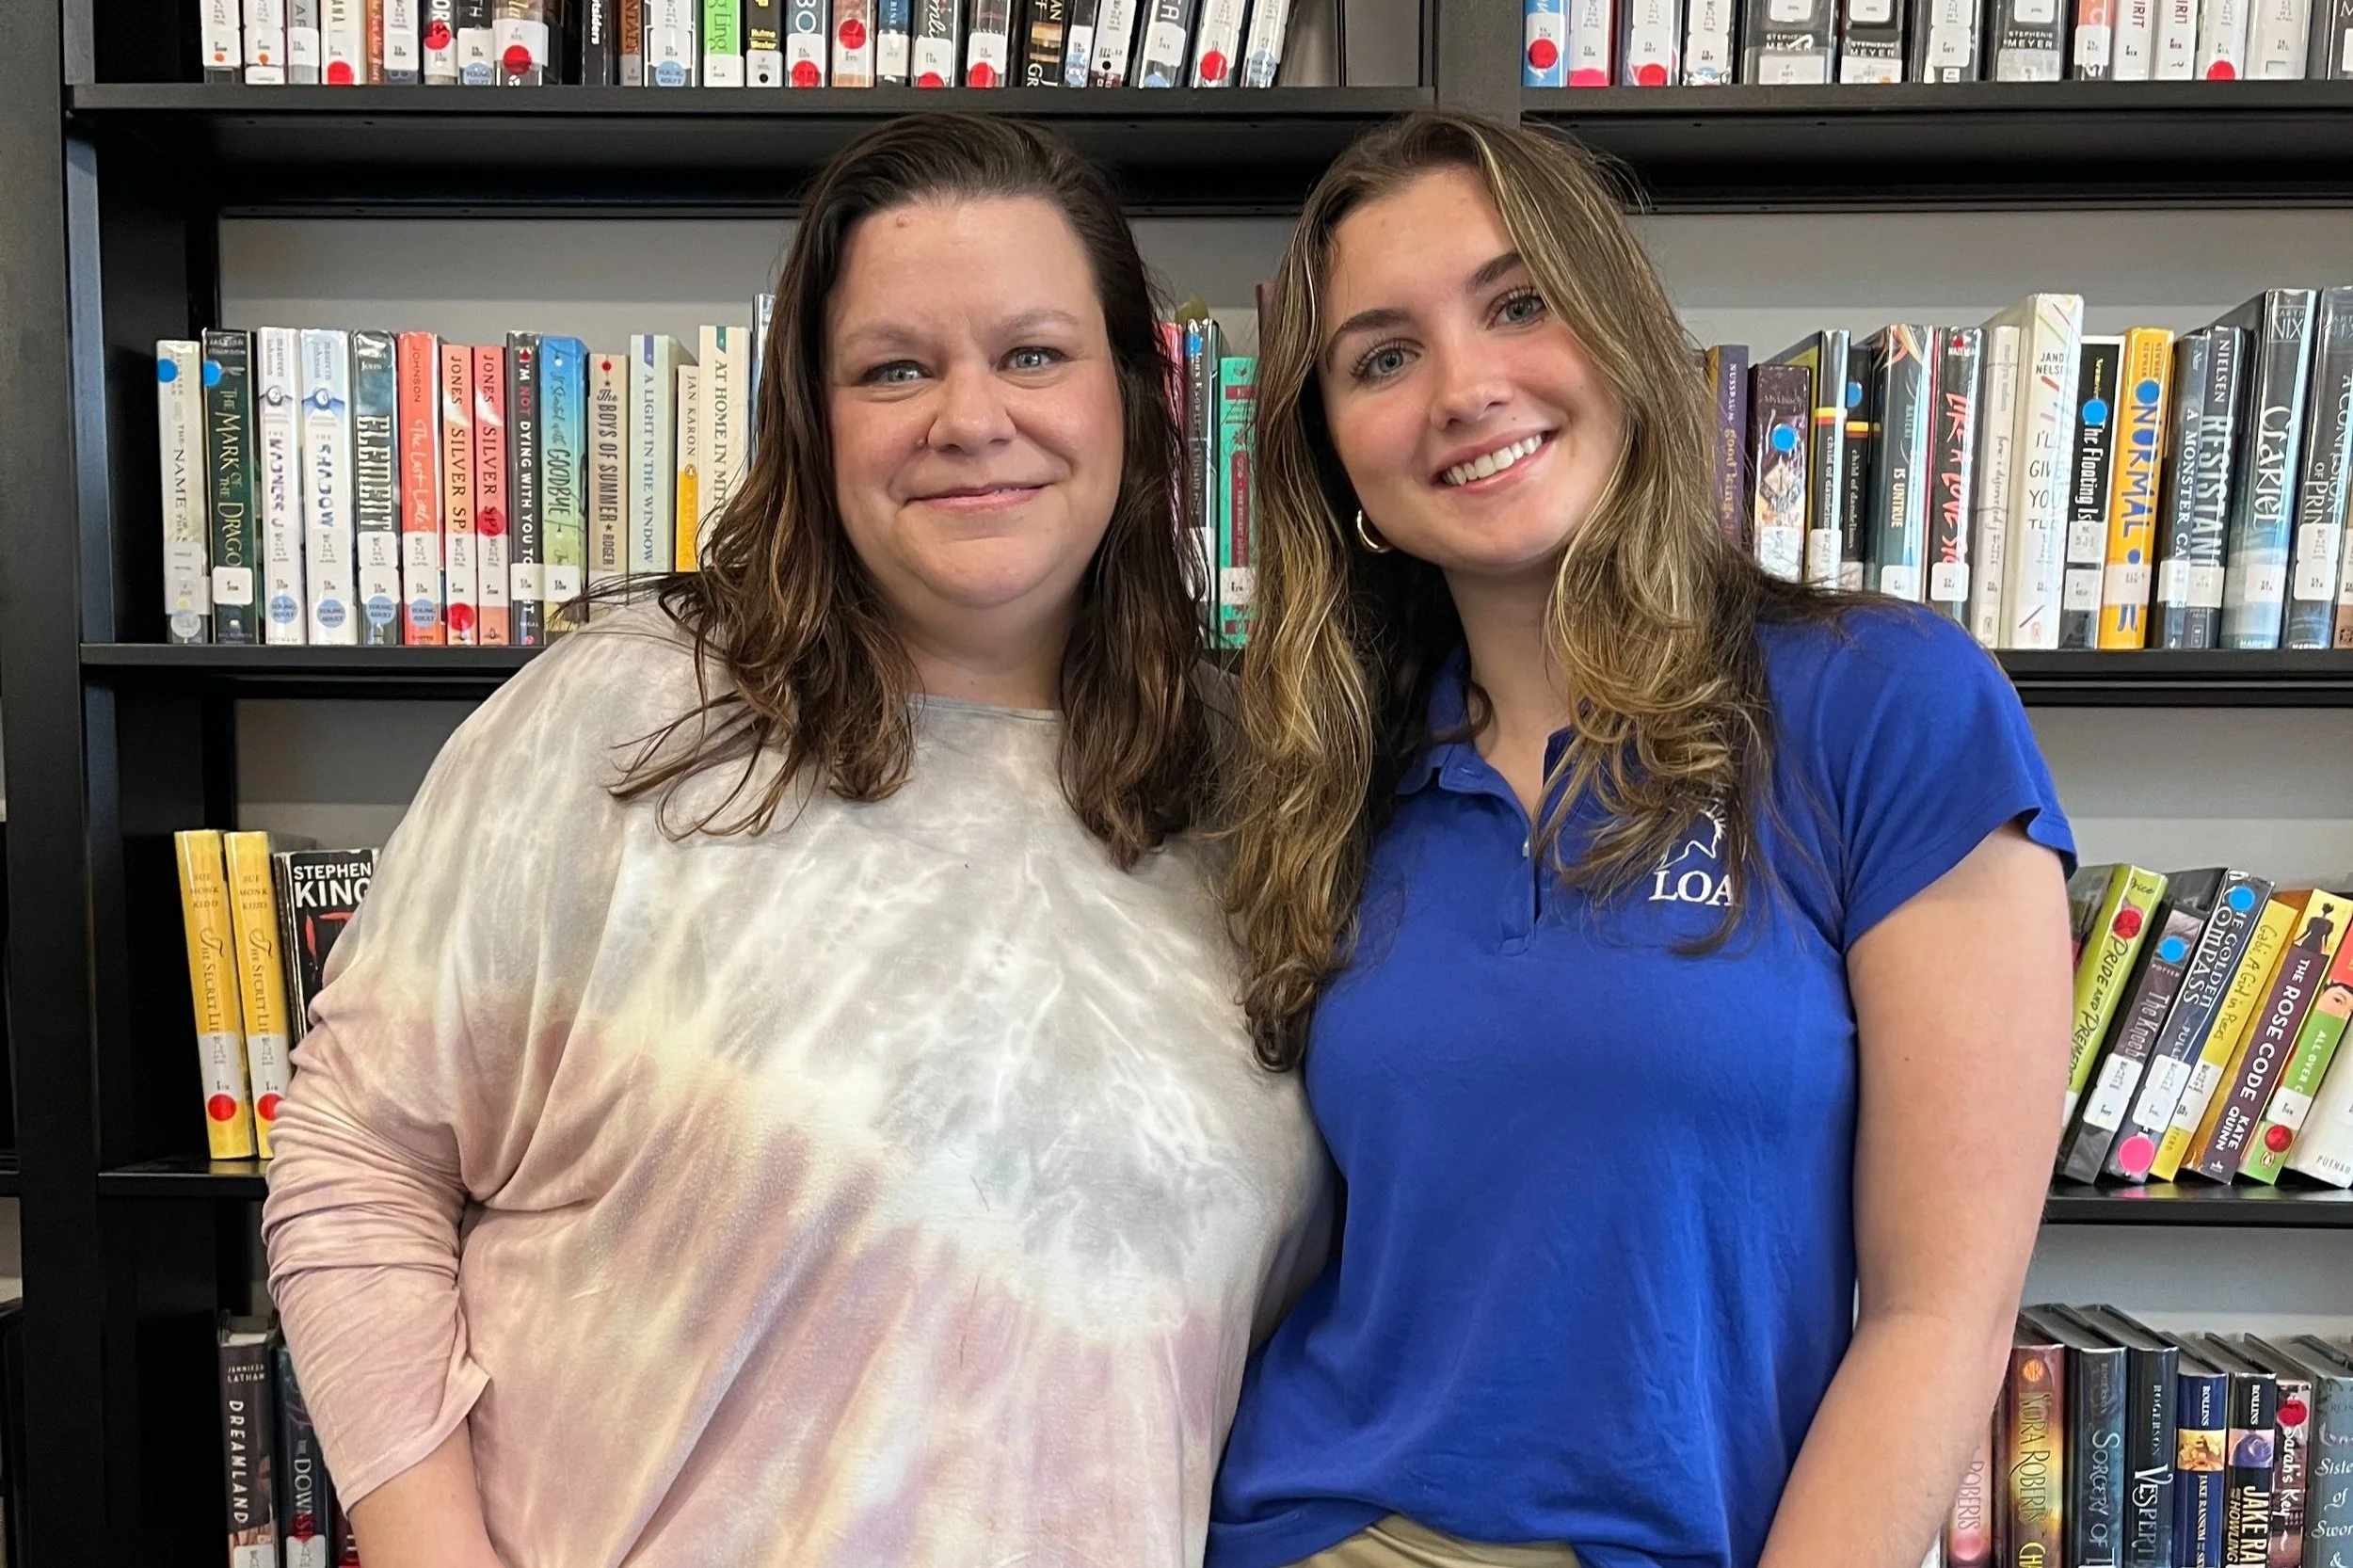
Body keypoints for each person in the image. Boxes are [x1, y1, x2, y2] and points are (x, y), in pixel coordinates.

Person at [263, 112, 1329, 1568]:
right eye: (895, 368)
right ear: (812, 423)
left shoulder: (1259, 790)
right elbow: (356, 1161)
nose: (971, 417)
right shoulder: (621, 724)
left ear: (1136, 399)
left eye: (1032, 353)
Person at [1209, 111, 2076, 1568]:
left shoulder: (1885, 704)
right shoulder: (1323, 774)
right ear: (1338, 461)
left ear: (1619, 333)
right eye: (1382, 356)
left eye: (1516, 304)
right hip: (1310, 1528)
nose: (1463, 389)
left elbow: (1942, 1313)